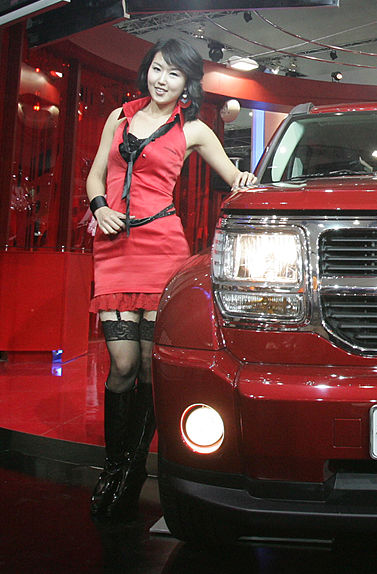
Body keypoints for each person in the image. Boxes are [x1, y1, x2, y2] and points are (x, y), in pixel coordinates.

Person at [85, 38, 257, 518]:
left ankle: (132, 469)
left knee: (146, 364)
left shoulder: (196, 130)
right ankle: (114, 464)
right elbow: (95, 175)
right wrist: (99, 208)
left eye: (173, 74)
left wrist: (254, 179)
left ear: (187, 84)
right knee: (121, 364)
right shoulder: (118, 118)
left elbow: (231, 175)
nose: (161, 79)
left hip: (162, 246)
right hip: (114, 247)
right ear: (148, 71)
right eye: (157, 69)